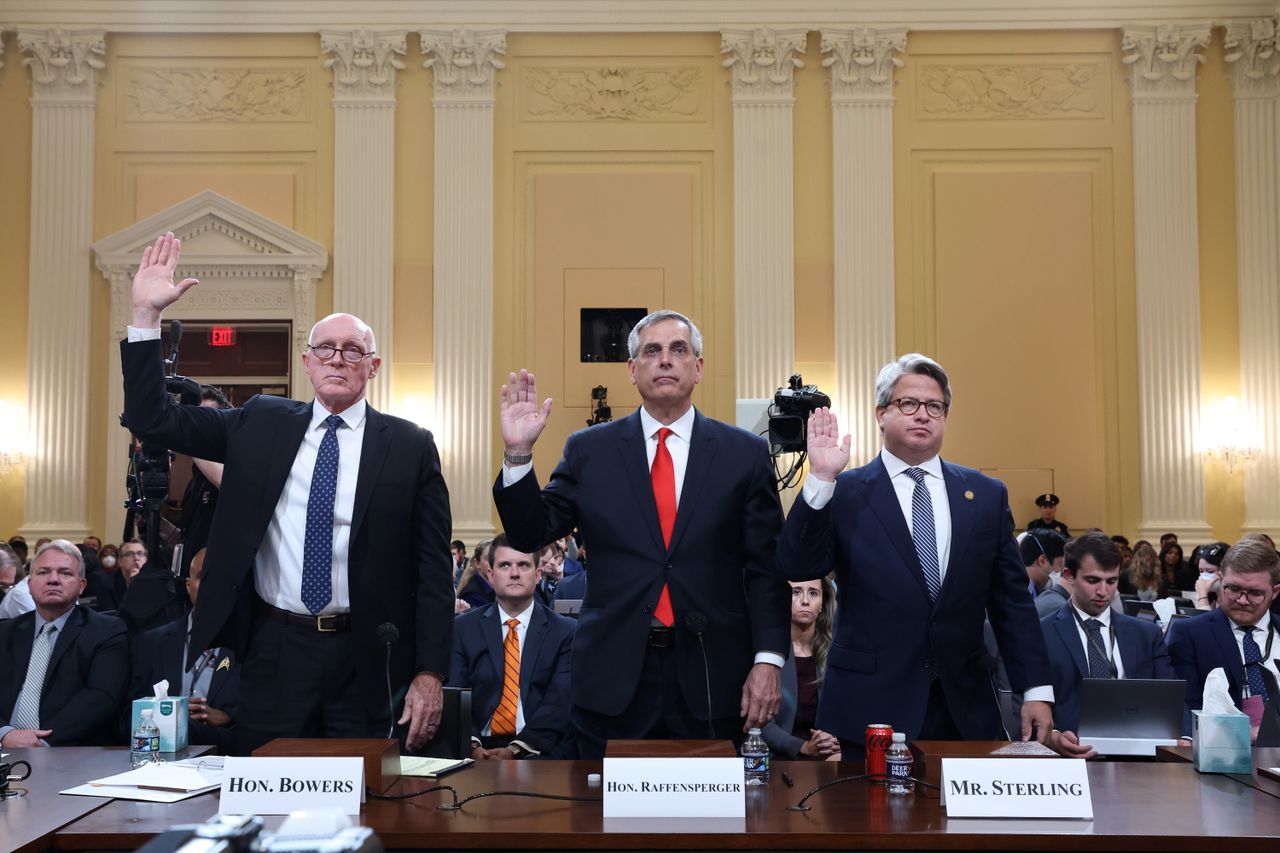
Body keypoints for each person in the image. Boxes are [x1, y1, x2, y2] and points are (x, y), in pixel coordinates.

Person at [121, 231, 454, 753]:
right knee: (271, 791)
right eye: (325, 348)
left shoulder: (410, 445)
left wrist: (430, 671)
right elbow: (151, 418)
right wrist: (144, 317)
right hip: (275, 646)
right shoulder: (261, 421)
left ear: (373, 365)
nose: (337, 359)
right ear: (307, 362)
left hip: (367, 654)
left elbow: (434, 569)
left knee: (363, 803)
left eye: (352, 350)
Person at [494, 309, 789, 758]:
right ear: (632, 370)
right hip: (613, 678)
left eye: (678, 350)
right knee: (605, 820)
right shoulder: (589, 450)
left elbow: (766, 567)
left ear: (699, 366)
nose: (665, 360)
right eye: (652, 351)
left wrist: (768, 660)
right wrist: (518, 454)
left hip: (712, 674)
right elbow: (532, 530)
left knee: (710, 822)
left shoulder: (744, 453)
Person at [777, 353, 1054, 756]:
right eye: (908, 404)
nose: (922, 415)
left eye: (934, 406)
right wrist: (820, 479)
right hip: (869, 710)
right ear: (881, 414)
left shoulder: (985, 496)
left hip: (963, 708)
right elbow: (798, 565)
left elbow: (1012, 602)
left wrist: (1036, 689)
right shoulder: (847, 490)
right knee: (867, 820)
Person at [1038, 533, 1176, 758]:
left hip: (1140, 760)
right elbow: (1027, 706)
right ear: (1068, 575)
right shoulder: (1043, 633)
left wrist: (1183, 739)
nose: (1103, 591)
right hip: (1069, 759)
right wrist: (1052, 737)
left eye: (1111, 581)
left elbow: (1171, 699)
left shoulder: (1146, 635)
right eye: (1093, 580)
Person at [448, 535, 575, 759]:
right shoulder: (462, 628)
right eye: (505, 565)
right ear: (490, 575)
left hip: (538, 752)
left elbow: (558, 702)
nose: (514, 573)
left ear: (537, 575)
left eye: (523, 565)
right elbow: (456, 694)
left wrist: (515, 750)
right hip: (474, 750)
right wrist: (473, 747)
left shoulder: (565, 632)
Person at [0, 541, 129, 746]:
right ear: (30, 583)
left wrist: (39, 741)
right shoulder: (5, 632)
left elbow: (102, 696)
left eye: (65, 573)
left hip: (67, 752)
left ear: (81, 586)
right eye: (43, 572)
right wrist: (4, 734)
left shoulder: (106, 631)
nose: (53, 580)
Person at [1167, 538, 1280, 740]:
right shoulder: (1190, 634)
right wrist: (1248, 733)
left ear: (1275, 592)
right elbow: (1188, 711)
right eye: (1233, 589)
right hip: (1221, 754)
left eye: (1255, 593)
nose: (1242, 600)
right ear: (1220, 579)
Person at [128, 549, 240, 752]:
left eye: (220, 578)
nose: (211, 586)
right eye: (203, 577)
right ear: (188, 586)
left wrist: (228, 716)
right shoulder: (150, 643)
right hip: (160, 754)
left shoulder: (252, 646)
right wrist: (167, 715)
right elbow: (128, 712)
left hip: (225, 751)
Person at [763, 577, 841, 760]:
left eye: (813, 593)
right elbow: (761, 724)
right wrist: (803, 747)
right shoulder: (768, 656)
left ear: (823, 603)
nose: (805, 600)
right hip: (778, 756)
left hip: (825, 755)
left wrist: (833, 740)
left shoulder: (836, 654)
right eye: (796, 592)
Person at [1021, 529, 1069, 617]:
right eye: (1059, 564)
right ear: (1042, 561)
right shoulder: (1015, 594)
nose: (1060, 572)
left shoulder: (1034, 590)